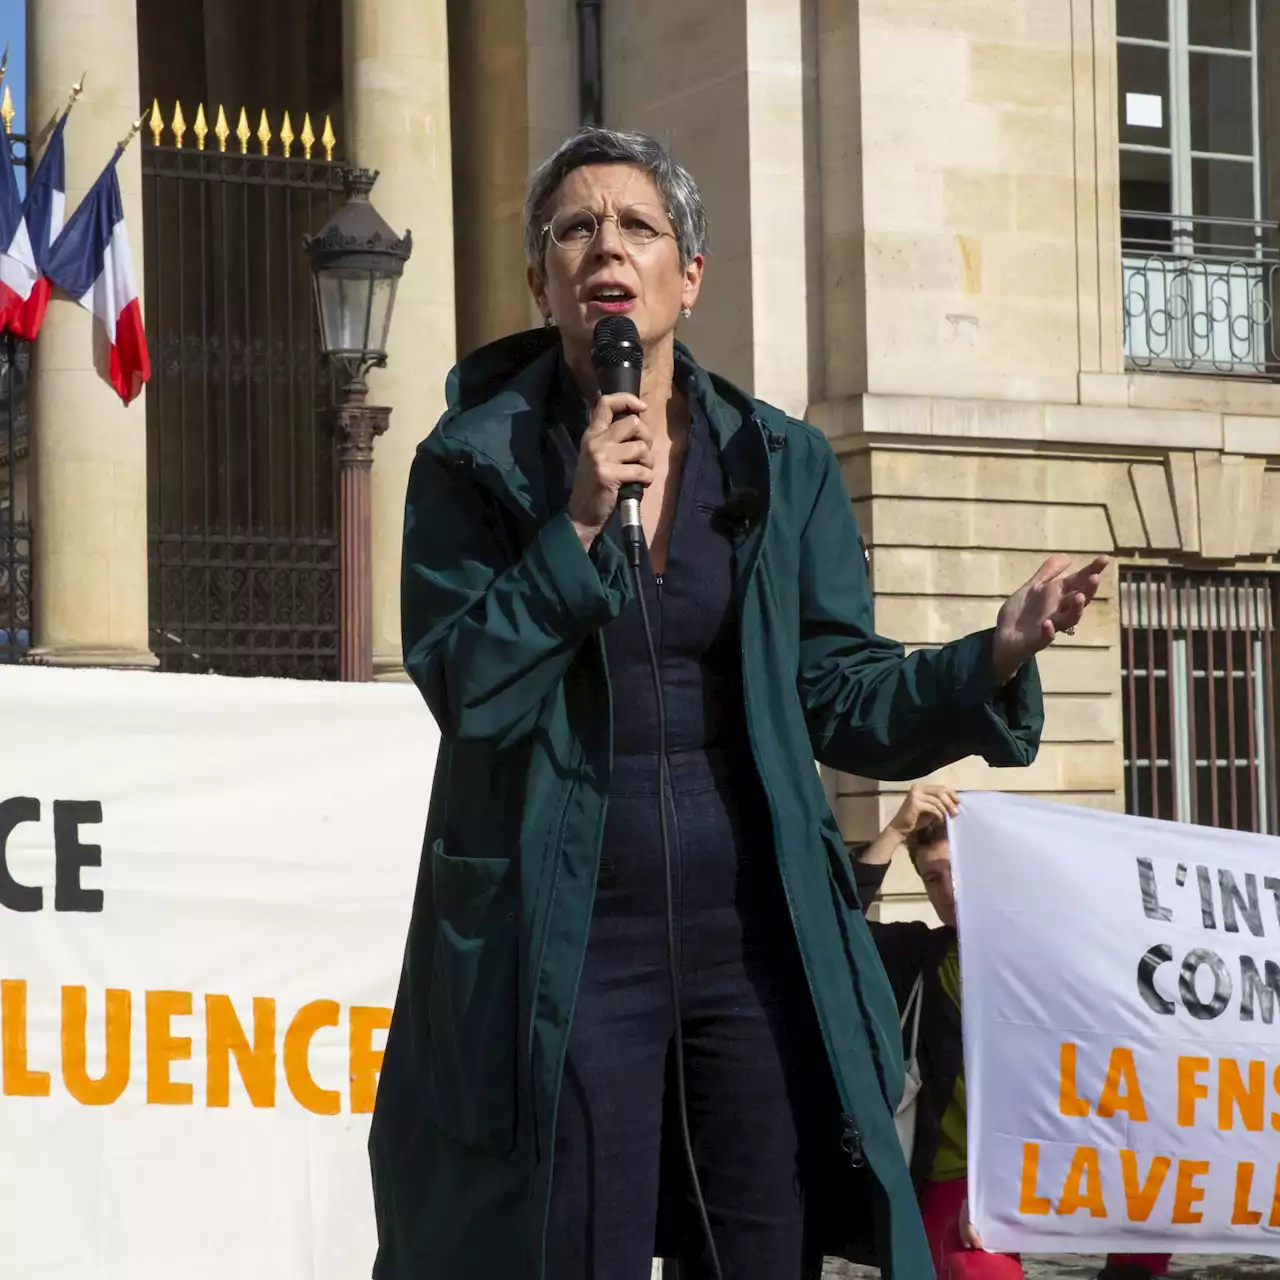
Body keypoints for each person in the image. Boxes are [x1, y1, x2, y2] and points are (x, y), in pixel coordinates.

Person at [368, 125, 1109, 1280]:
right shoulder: (473, 465)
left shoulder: (778, 459)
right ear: (538, 281)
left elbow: (837, 691)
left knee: (765, 1245)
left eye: (637, 226)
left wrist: (993, 659)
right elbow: (465, 689)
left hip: (751, 949)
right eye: (573, 228)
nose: (604, 245)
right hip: (562, 949)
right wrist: (569, 526)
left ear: (688, 275)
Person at [855, 784, 1172, 1280]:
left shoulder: (1069, 946)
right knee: (975, 1269)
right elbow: (832, 923)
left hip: (1073, 1158)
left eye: (959, 868)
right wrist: (896, 830)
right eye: (932, 877)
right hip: (964, 1176)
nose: (949, 890)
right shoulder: (919, 956)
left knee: (1157, 1224)